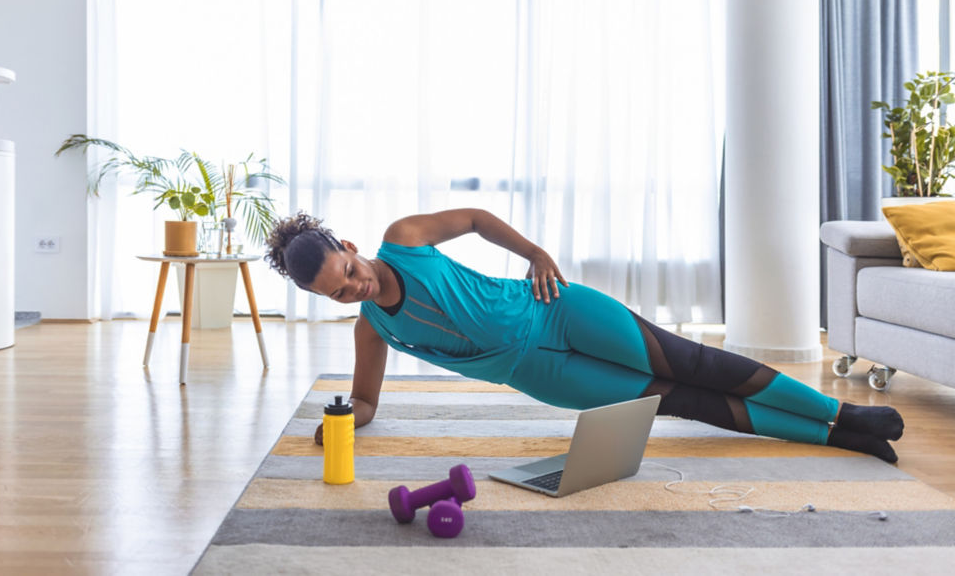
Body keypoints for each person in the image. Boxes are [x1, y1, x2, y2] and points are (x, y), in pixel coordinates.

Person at [265, 208, 904, 462]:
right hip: (541, 375)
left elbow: (478, 220)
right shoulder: (372, 331)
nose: (355, 288)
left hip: (555, 309)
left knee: (693, 361)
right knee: (675, 397)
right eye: (339, 292)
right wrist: (348, 420)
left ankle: (842, 411)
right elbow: (369, 399)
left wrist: (536, 252)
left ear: (349, 247)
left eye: (347, 272)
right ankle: (836, 438)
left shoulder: (404, 238)